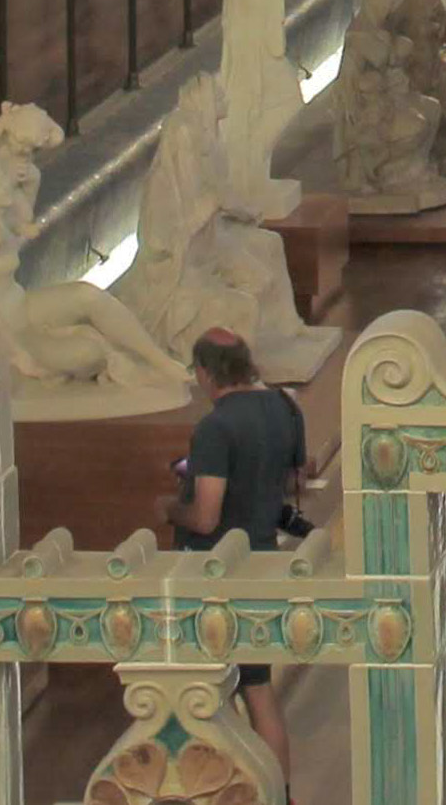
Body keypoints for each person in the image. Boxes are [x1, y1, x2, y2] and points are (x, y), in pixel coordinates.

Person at [170, 330, 310, 783]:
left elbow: (207, 516)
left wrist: (170, 507)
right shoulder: (285, 407)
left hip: (216, 574)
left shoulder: (215, 427)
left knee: (212, 694)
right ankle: (278, 792)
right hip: (264, 564)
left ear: (206, 372)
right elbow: (294, 480)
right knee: (259, 690)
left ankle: (226, 789)